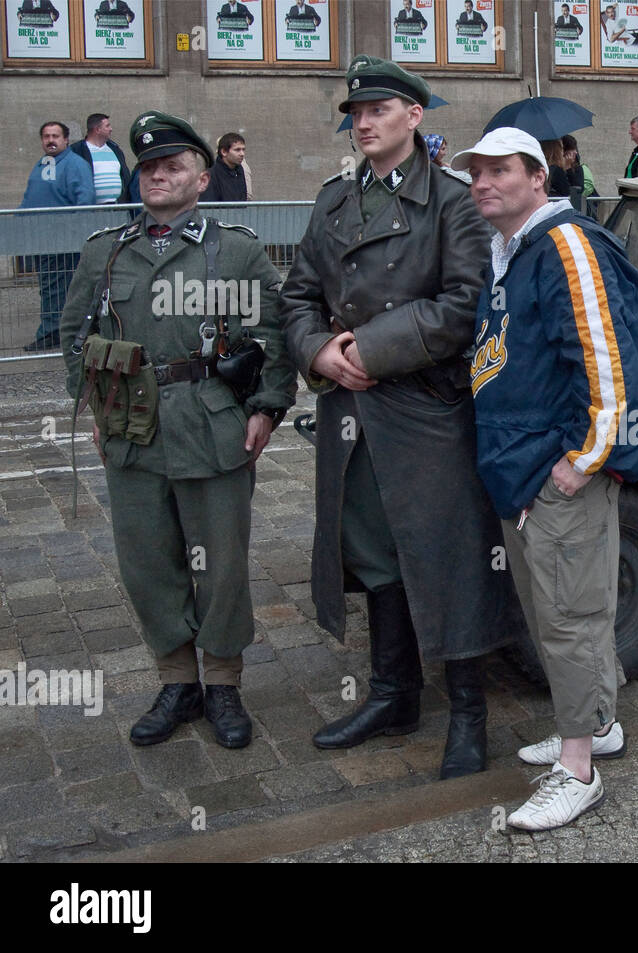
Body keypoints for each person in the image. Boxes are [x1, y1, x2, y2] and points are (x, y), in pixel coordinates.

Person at [279, 55, 513, 778]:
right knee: (376, 555)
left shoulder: (452, 201)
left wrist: (370, 348)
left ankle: (468, 713)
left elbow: (466, 304)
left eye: (378, 109)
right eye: (355, 111)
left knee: (448, 557)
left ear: (415, 116)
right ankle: (393, 693)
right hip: (351, 410)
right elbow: (295, 296)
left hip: (426, 409)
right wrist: (320, 352)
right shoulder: (332, 201)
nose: (364, 121)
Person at [451, 126, 638, 830]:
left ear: (537, 178)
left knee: (572, 617)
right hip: (521, 472)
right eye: (476, 172)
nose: (483, 182)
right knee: (557, 614)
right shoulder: (511, 250)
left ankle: (577, 770)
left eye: (500, 171)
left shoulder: (564, 245)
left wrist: (581, 462)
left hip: (556, 474)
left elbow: (608, 366)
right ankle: (597, 722)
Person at [59, 111, 296, 748]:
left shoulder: (236, 248)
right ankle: (176, 680)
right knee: (147, 564)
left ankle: (221, 682)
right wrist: (95, 401)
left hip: (214, 428)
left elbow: (272, 336)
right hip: (132, 435)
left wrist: (267, 408)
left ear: (200, 175)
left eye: (172, 166)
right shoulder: (105, 250)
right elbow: (73, 337)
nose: (158, 176)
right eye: (149, 167)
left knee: (220, 566)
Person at [20, 121, 94, 352]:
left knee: (58, 287)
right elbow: (31, 196)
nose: (50, 140)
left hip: (62, 239)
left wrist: (72, 230)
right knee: (49, 287)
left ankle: (54, 333)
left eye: (55, 136)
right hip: (43, 239)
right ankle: (57, 331)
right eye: (46, 136)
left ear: (66, 140)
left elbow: (85, 200)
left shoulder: (75, 164)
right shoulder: (42, 164)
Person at [70, 113, 130, 205]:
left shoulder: (115, 149)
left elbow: (124, 175)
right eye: (107, 126)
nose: (111, 129)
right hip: (91, 210)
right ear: (97, 130)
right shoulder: (78, 150)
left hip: (117, 208)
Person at [200, 133, 249, 202]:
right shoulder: (210, 175)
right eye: (237, 150)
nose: (242, 154)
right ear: (224, 152)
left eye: (243, 149)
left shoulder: (239, 171)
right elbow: (208, 208)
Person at [562, 133, 598, 198]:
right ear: (564, 151)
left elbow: (578, 190)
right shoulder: (555, 169)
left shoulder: (578, 169)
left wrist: (568, 168)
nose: (575, 152)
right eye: (572, 149)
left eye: (576, 149)